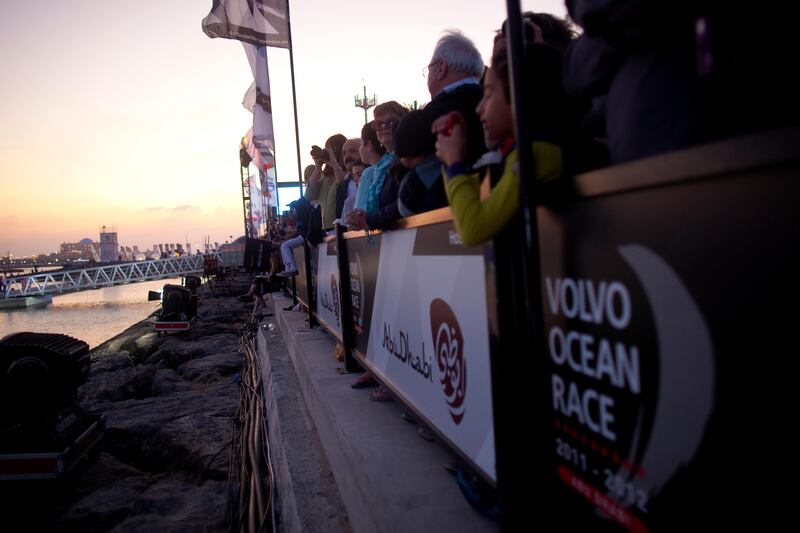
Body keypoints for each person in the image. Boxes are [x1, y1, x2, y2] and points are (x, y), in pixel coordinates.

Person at [433, 27, 571, 246]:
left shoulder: (533, 153)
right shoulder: (529, 148)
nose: (479, 109)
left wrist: (454, 164)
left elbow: (472, 229)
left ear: (521, 96)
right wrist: (459, 153)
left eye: (488, 94)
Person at [347, 101, 409, 231]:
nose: (383, 127)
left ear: (402, 124)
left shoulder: (408, 158)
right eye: (378, 124)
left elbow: (407, 200)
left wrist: (371, 220)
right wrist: (359, 219)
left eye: (390, 122)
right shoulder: (380, 167)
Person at [305, 134, 347, 232]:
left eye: (331, 150)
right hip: (326, 229)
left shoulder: (348, 173)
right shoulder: (326, 178)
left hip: (342, 228)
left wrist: (332, 161)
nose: (328, 153)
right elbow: (309, 195)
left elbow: (342, 184)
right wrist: (318, 166)